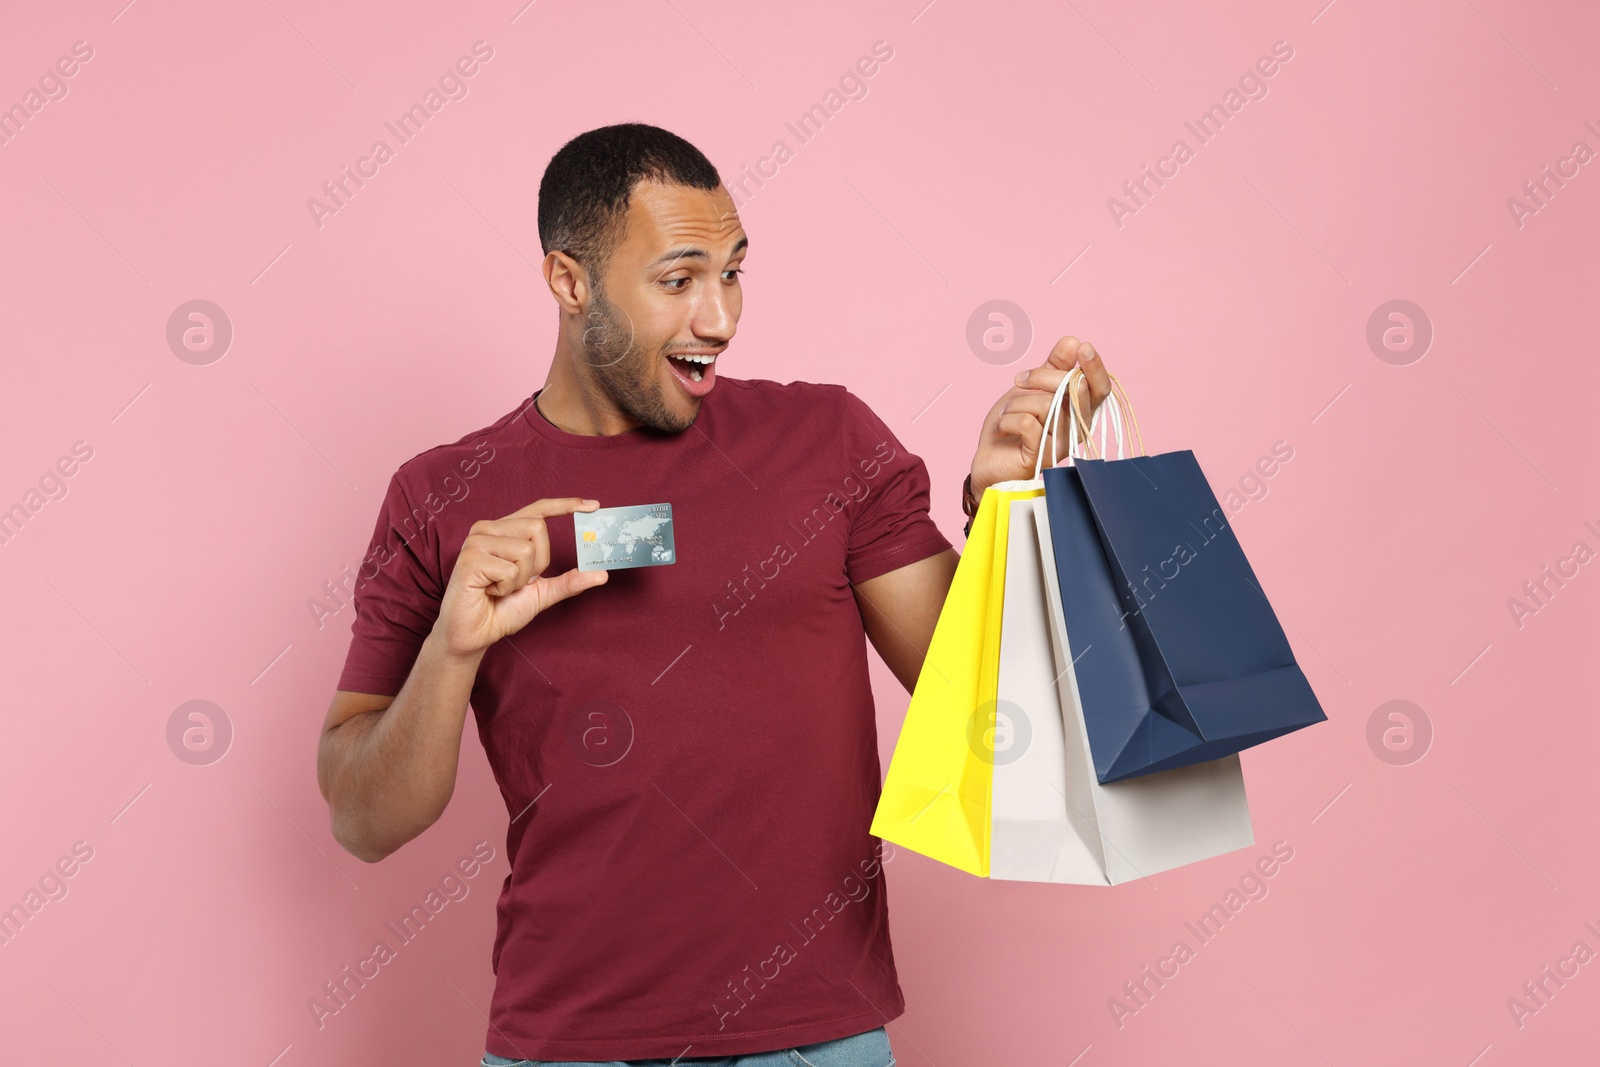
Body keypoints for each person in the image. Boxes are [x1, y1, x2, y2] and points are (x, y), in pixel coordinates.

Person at [315, 122, 1112, 1067]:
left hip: (815, 1041)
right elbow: (364, 820)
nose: (720, 317)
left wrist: (1008, 513)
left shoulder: (829, 441)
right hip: (568, 1048)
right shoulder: (439, 496)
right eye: (679, 279)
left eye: (733, 272)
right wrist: (452, 647)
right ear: (570, 282)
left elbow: (990, 713)